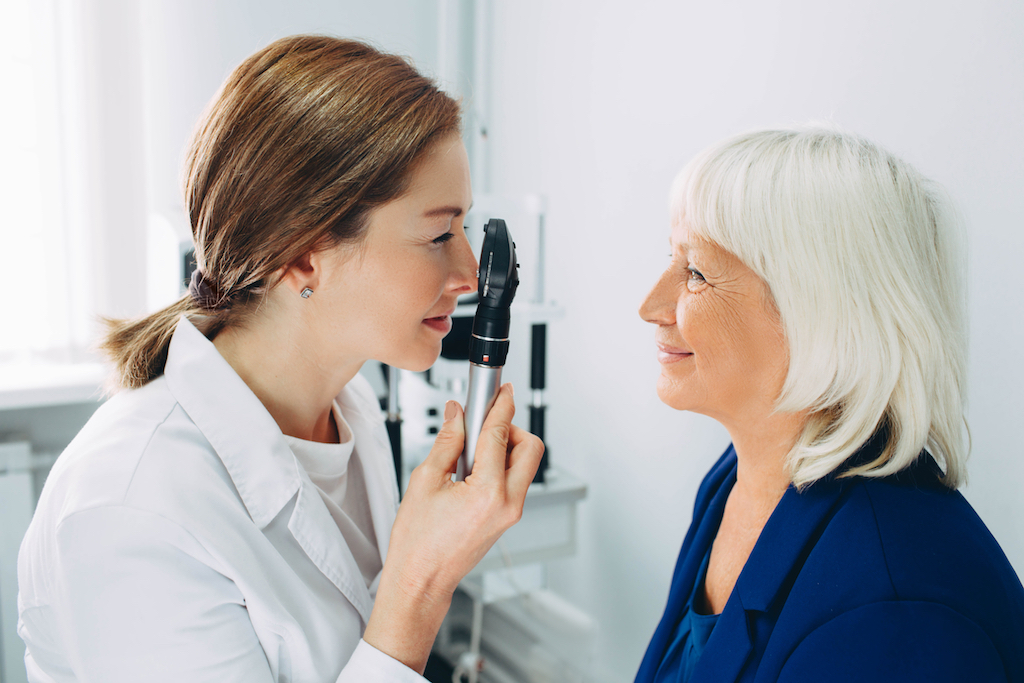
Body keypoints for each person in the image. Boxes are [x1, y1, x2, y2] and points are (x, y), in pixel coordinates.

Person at [17, 35, 543, 682]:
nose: (468, 273)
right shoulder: (129, 510)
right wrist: (423, 585)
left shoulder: (350, 410)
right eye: (438, 235)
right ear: (301, 255)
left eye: (466, 229)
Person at [635, 128, 1024, 683]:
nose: (650, 306)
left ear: (819, 313)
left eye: (695, 272)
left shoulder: (897, 619)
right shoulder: (735, 481)